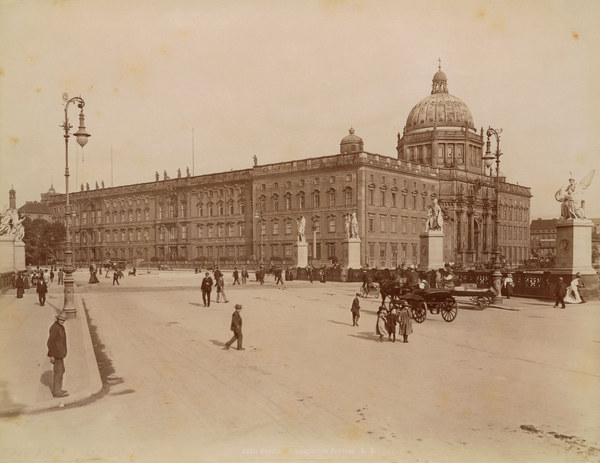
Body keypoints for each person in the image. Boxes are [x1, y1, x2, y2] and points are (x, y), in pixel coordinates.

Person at [47, 311, 69, 398]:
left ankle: (59, 389)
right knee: (58, 372)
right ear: (57, 319)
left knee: (61, 371)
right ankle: (56, 392)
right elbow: (50, 342)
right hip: (56, 354)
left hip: (60, 353)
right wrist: (52, 355)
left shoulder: (60, 327)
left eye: (63, 320)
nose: (62, 321)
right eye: (60, 320)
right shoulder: (55, 328)